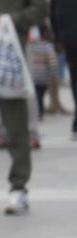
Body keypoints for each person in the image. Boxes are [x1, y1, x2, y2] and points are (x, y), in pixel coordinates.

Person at [0, 0, 48, 216]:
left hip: (9, 46)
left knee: (15, 123)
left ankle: (18, 186)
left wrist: (9, 20)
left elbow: (41, 8)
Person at [57, 0, 77, 136]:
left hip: (69, 40)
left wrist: (57, 38)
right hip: (70, 40)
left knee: (75, 79)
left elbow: (54, 11)